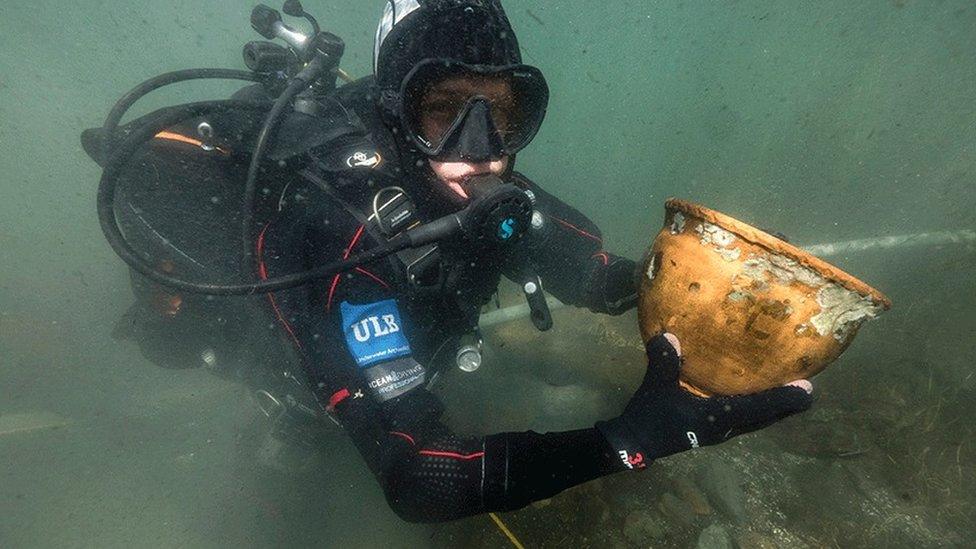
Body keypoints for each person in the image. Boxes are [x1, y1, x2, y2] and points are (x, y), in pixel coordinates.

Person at [249, 0, 815, 523]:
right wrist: (627, 441)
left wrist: (713, 277)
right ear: (398, 111)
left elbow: (599, 278)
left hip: (430, 359)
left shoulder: (496, 195)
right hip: (306, 384)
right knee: (296, 485)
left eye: (500, 112)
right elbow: (419, 478)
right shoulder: (339, 234)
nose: (480, 149)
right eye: (443, 110)